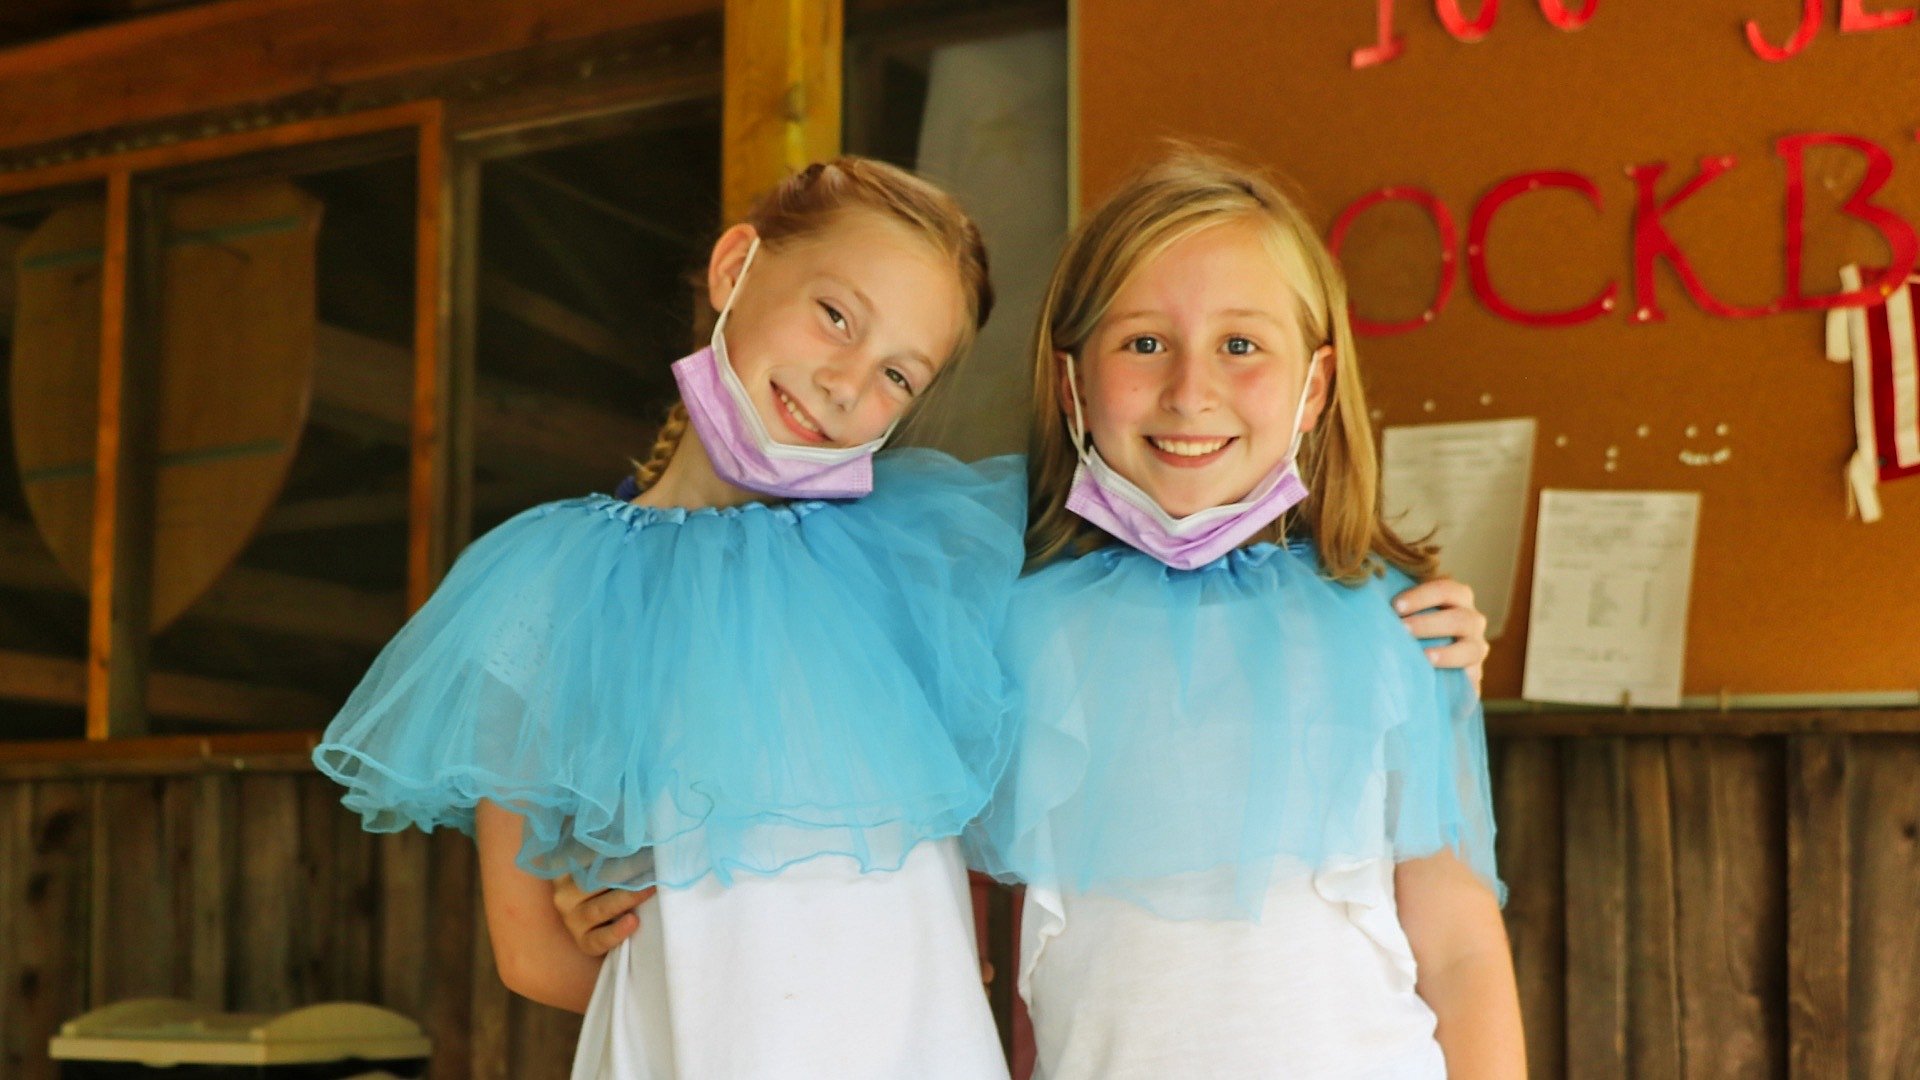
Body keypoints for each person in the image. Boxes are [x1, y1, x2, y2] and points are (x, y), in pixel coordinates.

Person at [315, 157, 1022, 1080]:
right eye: (836, 316)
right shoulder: (551, 586)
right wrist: (674, 955)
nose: (849, 382)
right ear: (737, 269)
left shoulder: (919, 564)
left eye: (898, 372)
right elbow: (532, 948)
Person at [968, 148, 1524, 1079]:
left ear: (1312, 389)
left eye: (1241, 345)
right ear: (1072, 387)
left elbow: (1462, 947)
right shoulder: (1005, 630)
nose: (1191, 391)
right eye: (1143, 343)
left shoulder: (1397, 625)